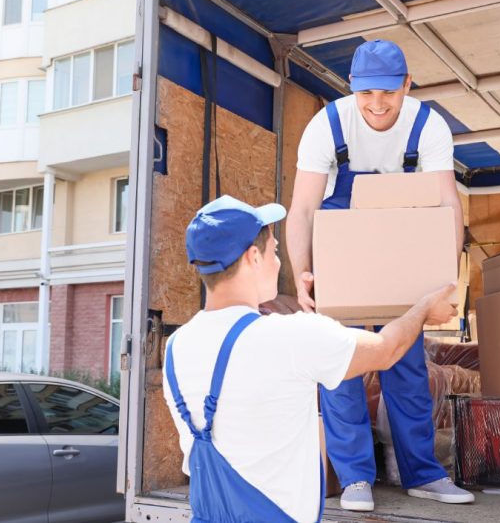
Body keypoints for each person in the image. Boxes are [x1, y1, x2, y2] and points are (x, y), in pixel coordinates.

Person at [163, 195, 458, 522]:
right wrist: (423, 309)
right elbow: (387, 349)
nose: (278, 263)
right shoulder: (291, 336)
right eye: (275, 252)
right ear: (253, 258)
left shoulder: (176, 348)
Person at [286, 39, 473, 511]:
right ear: (351, 87)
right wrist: (301, 273)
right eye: (366, 93)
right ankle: (354, 481)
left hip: (400, 248)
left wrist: (443, 278)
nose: (377, 104)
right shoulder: (327, 125)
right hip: (341, 250)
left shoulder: (428, 126)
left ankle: (422, 474)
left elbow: (447, 203)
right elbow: (304, 207)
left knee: (406, 367)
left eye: (388, 93)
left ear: (406, 85)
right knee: (343, 366)